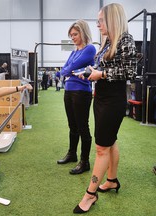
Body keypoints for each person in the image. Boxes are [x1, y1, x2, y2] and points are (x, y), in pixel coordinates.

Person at [73, 3, 137, 213]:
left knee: (102, 148)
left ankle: (90, 195)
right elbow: (106, 67)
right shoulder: (108, 40)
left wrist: (102, 74)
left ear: (112, 19)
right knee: (111, 141)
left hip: (113, 100)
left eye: (101, 20)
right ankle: (111, 180)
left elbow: (129, 72)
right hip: (101, 97)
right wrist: (93, 71)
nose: (98, 24)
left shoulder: (125, 39)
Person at [57, 20, 96, 175]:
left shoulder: (90, 48)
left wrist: (67, 71)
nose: (72, 37)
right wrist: (66, 71)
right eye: (71, 35)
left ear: (83, 32)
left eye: (75, 34)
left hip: (82, 91)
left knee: (82, 126)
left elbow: (69, 68)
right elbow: (66, 70)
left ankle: (84, 161)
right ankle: (72, 154)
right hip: (69, 89)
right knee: (72, 125)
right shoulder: (73, 52)